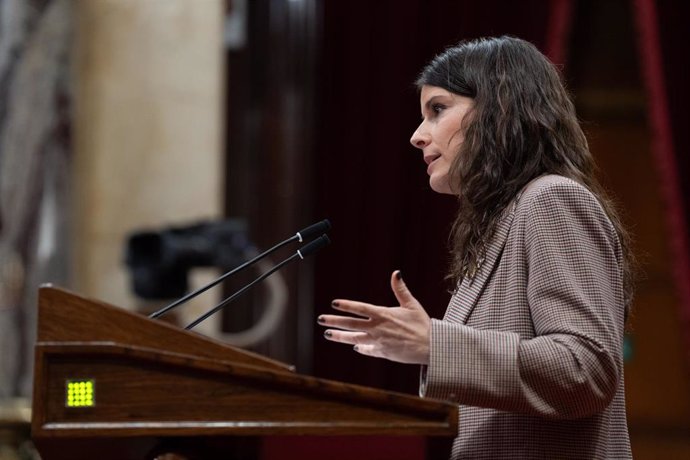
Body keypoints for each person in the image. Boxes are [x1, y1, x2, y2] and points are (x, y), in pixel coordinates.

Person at [317, 36, 634, 459]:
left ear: (499, 109)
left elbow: (585, 369)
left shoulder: (552, 200)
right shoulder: (501, 222)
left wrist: (436, 344)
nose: (417, 136)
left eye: (438, 110)